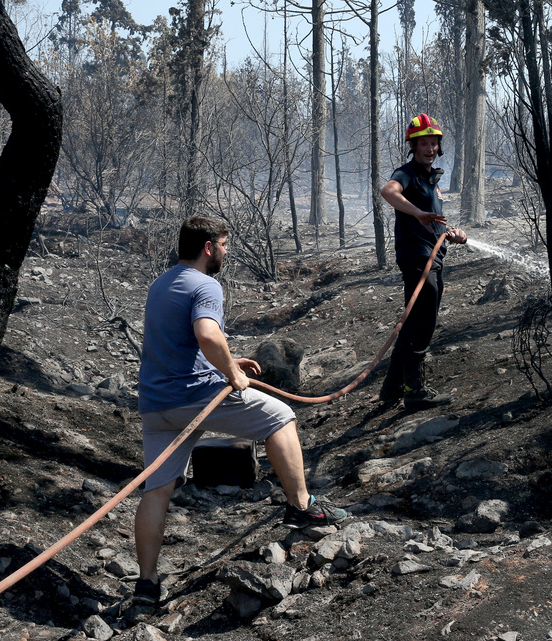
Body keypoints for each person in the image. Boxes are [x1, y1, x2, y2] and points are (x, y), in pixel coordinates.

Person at [132, 215, 347, 606]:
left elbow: (182, 343)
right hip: (195, 399)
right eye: (225, 244)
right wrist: (231, 372)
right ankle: (302, 507)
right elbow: (207, 333)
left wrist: (231, 361)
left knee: (157, 490)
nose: (227, 251)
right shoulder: (207, 284)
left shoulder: (160, 284)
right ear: (209, 247)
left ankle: (146, 584)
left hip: (155, 405)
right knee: (281, 416)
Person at [378, 113, 467, 410]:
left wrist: (451, 233)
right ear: (413, 147)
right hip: (418, 256)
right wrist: (416, 213)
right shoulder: (407, 173)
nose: (429, 149)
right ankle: (414, 390)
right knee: (422, 322)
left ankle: (391, 388)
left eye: (434, 143)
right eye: (423, 144)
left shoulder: (432, 181)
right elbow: (387, 191)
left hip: (432, 253)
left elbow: (433, 222)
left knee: (413, 322)